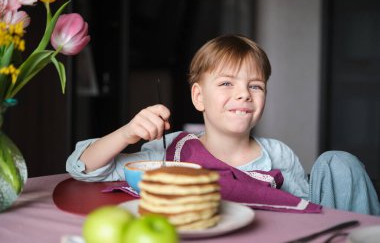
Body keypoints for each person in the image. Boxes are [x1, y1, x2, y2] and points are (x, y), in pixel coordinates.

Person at [67, 35, 380, 215]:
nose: (243, 93)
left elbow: (301, 213)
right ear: (199, 97)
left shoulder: (279, 156)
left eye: (255, 86)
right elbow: (83, 167)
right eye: (227, 83)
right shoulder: (170, 152)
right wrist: (128, 132)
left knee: (339, 162)